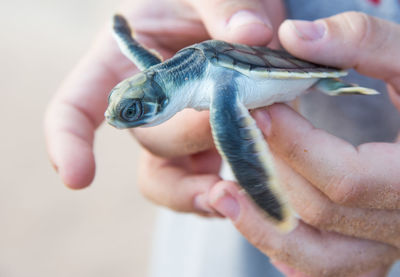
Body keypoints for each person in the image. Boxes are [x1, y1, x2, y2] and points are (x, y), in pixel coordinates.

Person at [45, 0, 400, 275]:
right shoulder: (167, 73)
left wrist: (262, 192)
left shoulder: (218, 86)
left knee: (232, 134)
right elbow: (142, 54)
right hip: (223, 254)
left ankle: (331, 82)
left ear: (160, 101)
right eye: (121, 110)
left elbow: (236, 142)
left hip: (294, 72)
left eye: (133, 113)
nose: (121, 121)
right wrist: (130, 25)